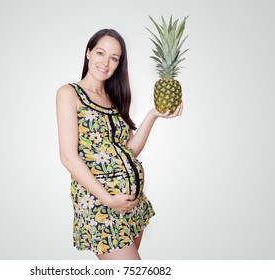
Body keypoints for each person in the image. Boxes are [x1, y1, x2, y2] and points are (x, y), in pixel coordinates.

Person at [56, 29, 182, 260]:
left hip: (131, 204)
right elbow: (68, 157)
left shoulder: (115, 97)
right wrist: (109, 200)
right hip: (101, 206)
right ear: (88, 53)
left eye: (114, 58)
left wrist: (153, 115)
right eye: (101, 53)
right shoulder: (69, 93)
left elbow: (128, 151)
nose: (106, 62)